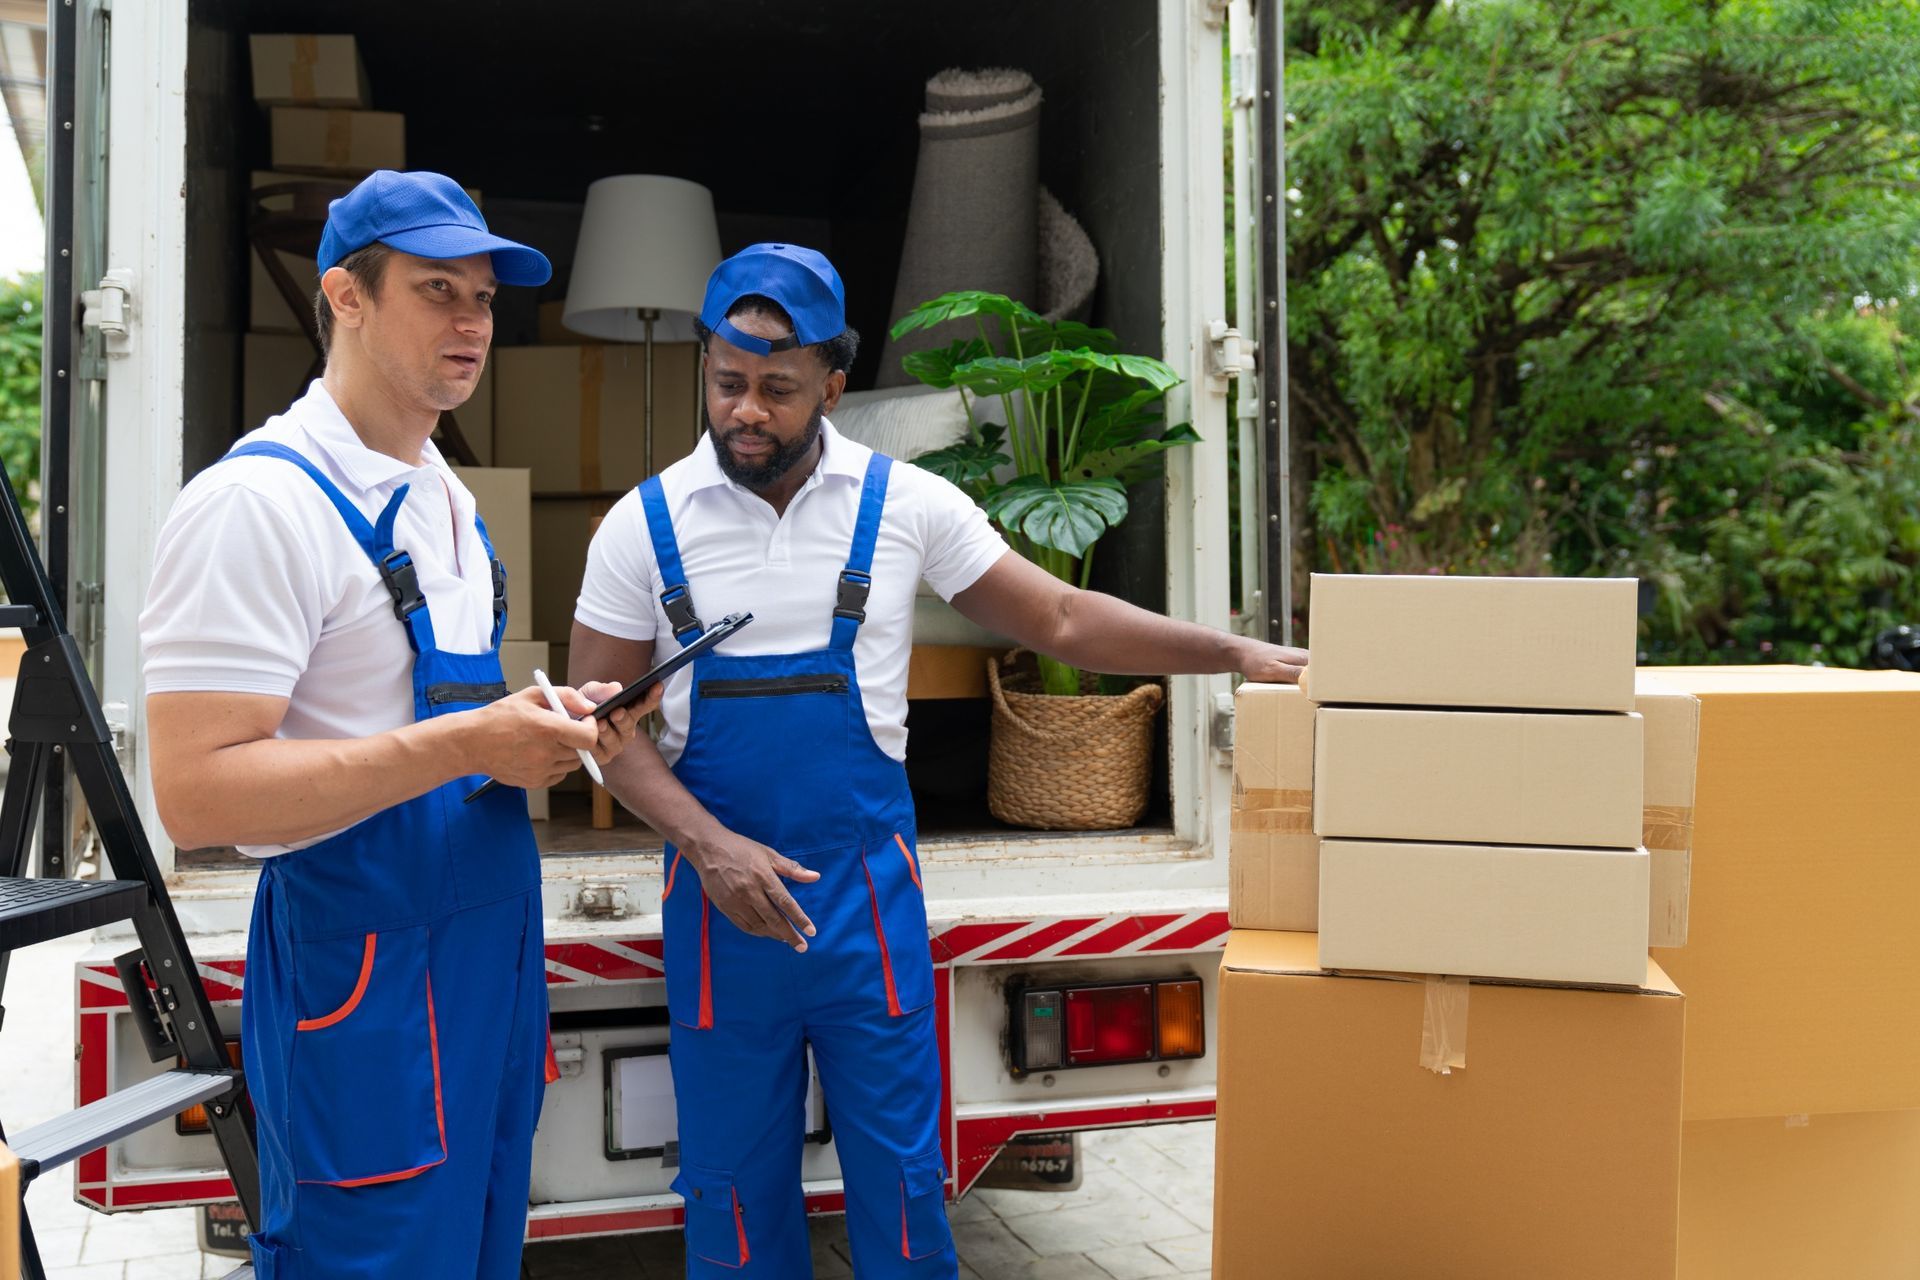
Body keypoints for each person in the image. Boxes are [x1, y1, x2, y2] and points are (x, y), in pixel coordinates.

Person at [570, 243, 1308, 1278]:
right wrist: (709, 845)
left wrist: (1230, 650)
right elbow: (600, 721)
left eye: (777, 389)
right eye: (728, 382)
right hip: (720, 911)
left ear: (832, 385)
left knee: (906, 1190)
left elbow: (1059, 614)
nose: (746, 409)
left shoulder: (904, 504)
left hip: (866, 912)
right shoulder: (641, 530)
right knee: (732, 1201)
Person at [138, 170, 655, 1279]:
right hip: (363, 961)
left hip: (484, 941)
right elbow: (196, 789)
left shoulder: (445, 499)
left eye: (483, 297)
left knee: (476, 1246)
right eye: (438, 291)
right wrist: (469, 743)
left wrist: (547, 723)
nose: (473, 323)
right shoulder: (255, 507)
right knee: (365, 1254)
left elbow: (438, 721)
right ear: (347, 296)